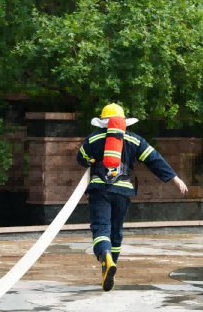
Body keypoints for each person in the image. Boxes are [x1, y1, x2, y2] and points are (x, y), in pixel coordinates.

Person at [76, 103, 188, 292]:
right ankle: (112, 265)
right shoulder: (134, 139)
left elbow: (81, 159)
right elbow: (154, 159)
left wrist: (92, 160)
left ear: (102, 122)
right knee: (116, 232)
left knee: (101, 228)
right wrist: (175, 179)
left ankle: (105, 257)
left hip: (100, 190)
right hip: (123, 192)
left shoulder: (94, 138)